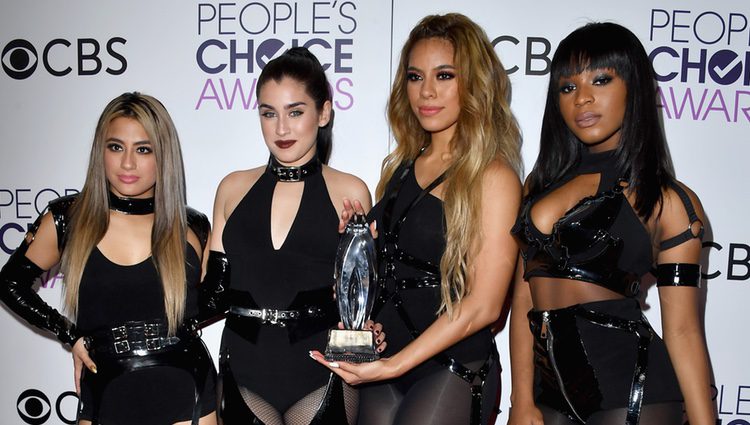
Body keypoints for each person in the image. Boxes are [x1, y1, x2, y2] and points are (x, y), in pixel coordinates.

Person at [310, 13, 523, 425]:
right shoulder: (404, 167)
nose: (426, 91)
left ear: (474, 82)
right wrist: (359, 246)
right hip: (386, 361)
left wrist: (394, 365)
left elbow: (484, 305)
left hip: (452, 366)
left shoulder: (493, 176)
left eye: (444, 75)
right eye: (415, 76)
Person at [507, 22, 714, 425]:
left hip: (633, 394)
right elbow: (523, 299)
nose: (582, 99)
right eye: (567, 87)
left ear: (633, 86)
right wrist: (521, 401)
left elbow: (685, 331)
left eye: (600, 80)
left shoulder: (668, 200)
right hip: (548, 396)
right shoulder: (541, 182)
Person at [0, 92, 217, 425]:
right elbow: (9, 283)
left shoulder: (191, 226)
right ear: (100, 152)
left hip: (185, 389)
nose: (127, 163)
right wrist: (68, 334)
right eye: (116, 147)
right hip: (105, 392)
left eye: (143, 149)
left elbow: (219, 297)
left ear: (164, 156)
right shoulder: (68, 220)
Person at [207, 47, 375, 425]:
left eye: (295, 112)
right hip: (245, 368)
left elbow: (359, 298)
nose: (281, 129)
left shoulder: (350, 192)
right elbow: (210, 294)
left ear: (324, 113)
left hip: (323, 369)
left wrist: (358, 249)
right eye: (269, 113)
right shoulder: (232, 189)